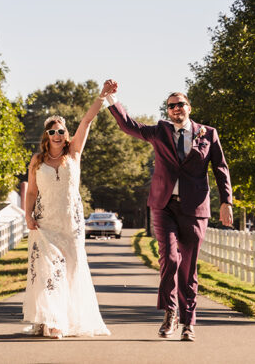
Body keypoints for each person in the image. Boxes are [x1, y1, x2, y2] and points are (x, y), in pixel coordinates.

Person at [102, 79, 233, 342]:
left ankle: (189, 323)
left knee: (189, 269)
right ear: (167, 110)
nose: (176, 109)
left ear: (189, 107)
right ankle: (170, 313)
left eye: (180, 104)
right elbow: (129, 125)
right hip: (163, 206)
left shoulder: (208, 133)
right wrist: (110, 99)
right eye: (171, 106)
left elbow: (221, 168)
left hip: (195, 209)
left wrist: (227, 202)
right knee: (171, 259)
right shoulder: (160, 131)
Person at [22, 88, 111, 339]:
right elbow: (31, 192)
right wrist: (27, 215)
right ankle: (52, 322)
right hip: (45, 224)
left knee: (70, 270)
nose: (58, 135)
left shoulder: (74, 154)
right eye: (53, 131)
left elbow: (87, 120)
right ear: (46, 135)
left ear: (66, 134)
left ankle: (63, 318)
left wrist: (102, 96)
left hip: (71, 223)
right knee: (49, 272)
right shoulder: (37, 160)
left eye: (61, 130)